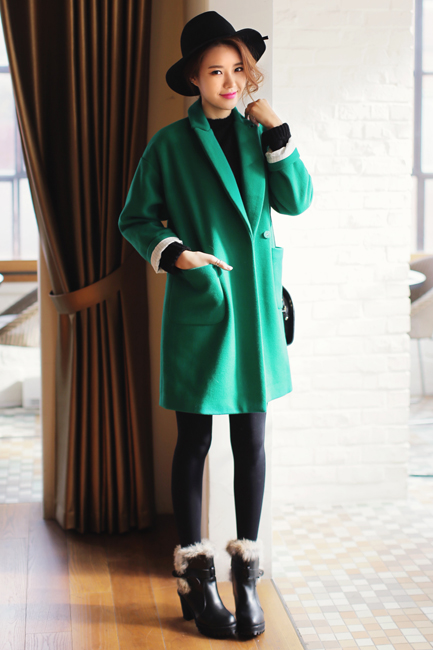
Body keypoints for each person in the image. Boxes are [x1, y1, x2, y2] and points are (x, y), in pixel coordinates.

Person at [118, 10, 313, 640]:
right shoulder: (170, 145)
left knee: (251, 441)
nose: (229, 83)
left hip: (253, 308)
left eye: (237, 70)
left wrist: (278, 130)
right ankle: (197, 580)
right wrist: (179, 255)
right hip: (205, 304)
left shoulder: (260, 136)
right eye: (214, 72)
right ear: (193, 80)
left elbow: (296, 200)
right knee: (195, 442)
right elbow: (135, 218)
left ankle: (245, 577)